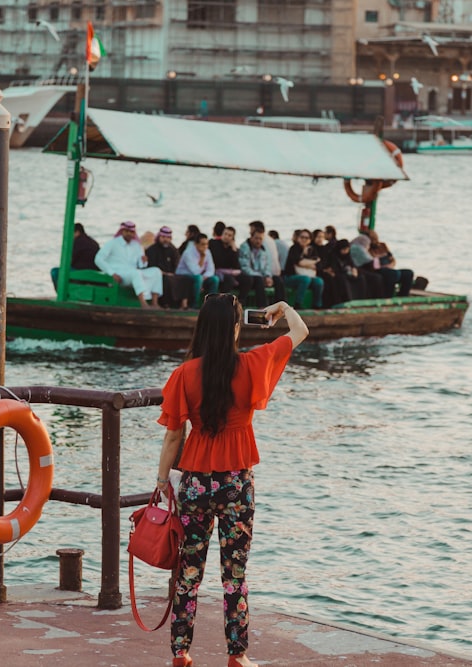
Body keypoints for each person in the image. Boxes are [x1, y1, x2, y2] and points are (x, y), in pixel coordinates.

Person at [155, 294, 309, 667]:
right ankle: (237, 655)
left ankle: (181, 652)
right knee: (234, 576)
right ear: (236, 327)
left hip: (196, 484)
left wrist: (162, 480)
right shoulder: (254, 363)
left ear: (202, 327)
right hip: (237, 483)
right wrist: (282, 309)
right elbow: (301, 331)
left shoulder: (184, 374)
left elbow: (174, 436)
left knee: (188, 573)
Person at [94, 221, 163, 308]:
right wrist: (112, 273)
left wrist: (144, 261)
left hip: (132, 273)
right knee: (136, 273)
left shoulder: (136, 245)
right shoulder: (113, 243)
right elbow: (98, 259)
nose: (129, 234)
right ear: (122, 231)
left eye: (132, 232)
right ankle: (143, 304)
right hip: (119, 275)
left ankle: (154, 303)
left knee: (156, 271)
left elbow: (141, 265)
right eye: (127, 231)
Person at [147, 226, 194, 308]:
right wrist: (166, 273)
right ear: (159, 237)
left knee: (186, 279)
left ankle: (184, 305)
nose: (166, 239)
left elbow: (176, 264)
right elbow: (151, 267)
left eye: (168, 237)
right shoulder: (152, 249)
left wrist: (173, 273)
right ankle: (166, 304)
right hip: (158, 275)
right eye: (163, 237)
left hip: (171, 274)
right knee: (166, 279)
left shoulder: (172, 250)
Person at [238, 229, 286, 308]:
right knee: (259, 279)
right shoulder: (244, 248)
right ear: (251, 238)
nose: (258, 241)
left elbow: (267, 266)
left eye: (260, 239)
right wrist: (261, 276)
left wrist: (267, 276)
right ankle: (263, 307)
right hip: (248, 276)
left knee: (278, 279)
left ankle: (281, 306)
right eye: (256, 238)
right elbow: (245, 268)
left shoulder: (263, 250)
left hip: (260, 276)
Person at [281, 229, 323, 308]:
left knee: (319, 281)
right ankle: (298, 304)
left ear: (310, 240)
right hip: (290, 277)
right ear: (298, 238)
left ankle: (317, 305)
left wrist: (305, 263)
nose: (304, 239)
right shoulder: (294, 248)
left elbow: (319, 266)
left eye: (306, 238)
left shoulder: (312, 249)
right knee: (305, 279)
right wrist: (311, 262)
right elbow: (299, 262)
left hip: (308, 276)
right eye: (302, 237)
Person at [177, 232, 220, 307]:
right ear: (196, 244)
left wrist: (205, 277)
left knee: (215, 279)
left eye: (207, 244)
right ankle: (194, 305)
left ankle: (210, 306)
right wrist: (202, 258)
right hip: (184, 276)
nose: (205, 246)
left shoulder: (207, 251)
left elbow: (211, 269)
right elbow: (195, 271)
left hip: (199, 277)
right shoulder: (188, 253)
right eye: (203, 244)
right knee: (198, 278)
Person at [210, 225, 250, 298]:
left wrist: (234, 250)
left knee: (247, 279)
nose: (226, 237)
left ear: (232, 238)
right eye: (225, 234)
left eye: (229, 235)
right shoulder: (214, 243)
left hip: (230, 272)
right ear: (222, 234)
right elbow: (218, 261)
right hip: (217, 272)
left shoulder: (233, 249)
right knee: (229, 279)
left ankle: (240, 302)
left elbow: (236, 266)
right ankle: (222, 302)